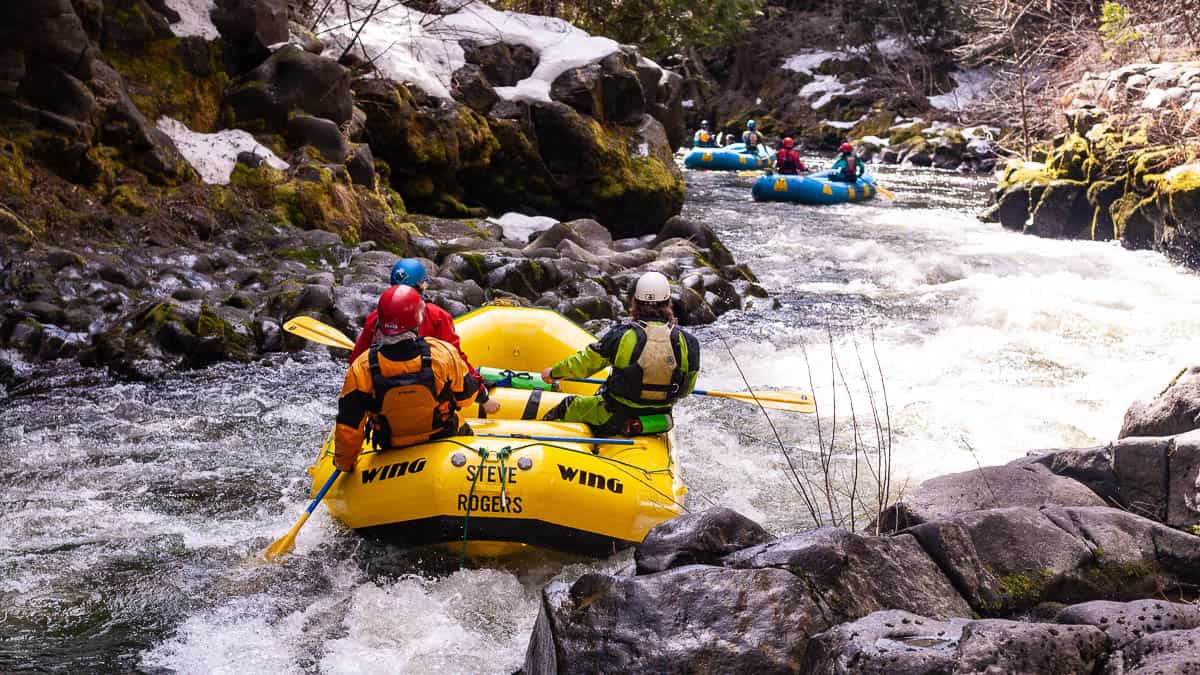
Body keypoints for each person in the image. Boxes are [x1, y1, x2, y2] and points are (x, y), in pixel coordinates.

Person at [334, 286, 482, 472]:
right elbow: (467, 399)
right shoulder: (443, 354)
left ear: (380, 321)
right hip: (445, 439)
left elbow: (348, 427)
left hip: (391, 448)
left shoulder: (361, 368)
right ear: (418, 320)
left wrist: (345, 465)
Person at [539, 272, 700, 436]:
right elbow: (687, 389)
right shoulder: (689, 342)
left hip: (615, 416)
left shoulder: (621, 335)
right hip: (659, 418)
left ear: (635, 302)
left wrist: (554, 372)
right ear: (668, 303)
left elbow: (584, 364)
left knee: (567, 405)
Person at [351, 258, 500, 415]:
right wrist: (483, 397)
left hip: (386, 404)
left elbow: (356, 361)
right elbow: (457, 360)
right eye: (424, 283)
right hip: (429, 404)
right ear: (420, 286)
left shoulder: (376, 318)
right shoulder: (437, 316)